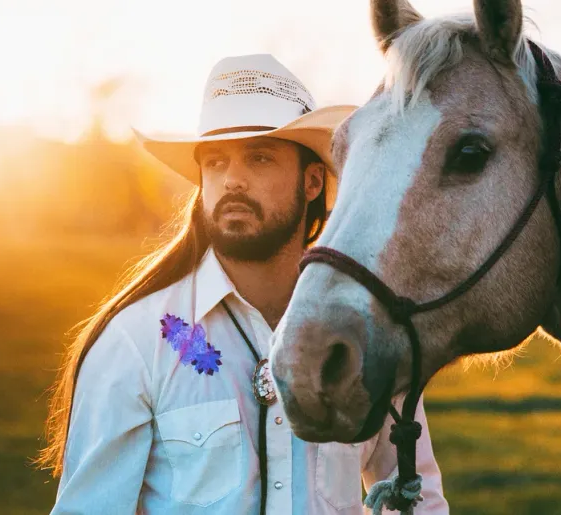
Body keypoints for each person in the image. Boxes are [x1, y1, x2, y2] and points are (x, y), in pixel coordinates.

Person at [39, 54, 448, 514]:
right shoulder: (135, 342)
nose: (232, 179)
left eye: (259, 157)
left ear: (312, 182)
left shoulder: (365, 333)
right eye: (215, 162)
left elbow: (418, 499)